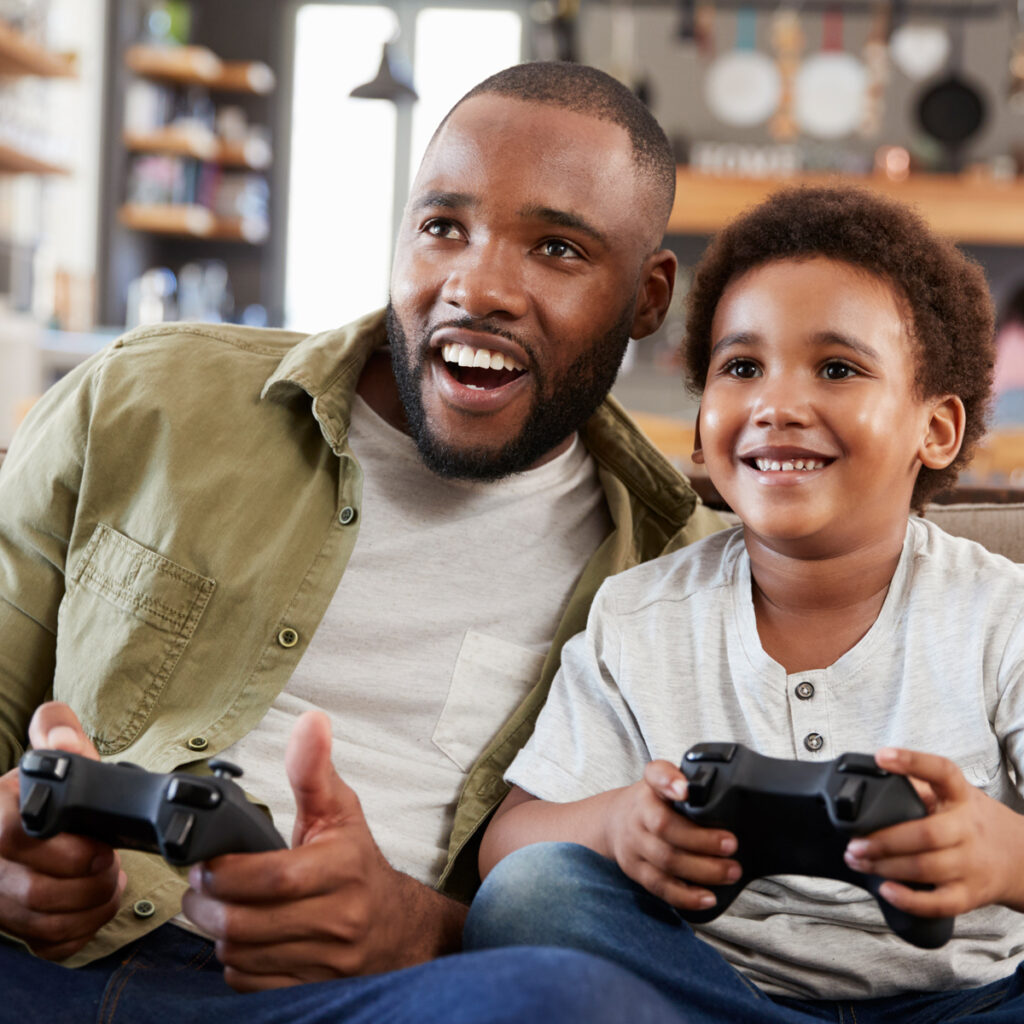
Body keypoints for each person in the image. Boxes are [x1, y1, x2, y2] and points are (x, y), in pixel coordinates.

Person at [0, 62, 723, 1021]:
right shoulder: (146, 399)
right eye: (442, 227)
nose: (478, 286)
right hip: (34, 964)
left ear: (648, 297)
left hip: (360, 1001)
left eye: (556, 248)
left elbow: (648, 910)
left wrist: (421, 929)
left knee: (577, 999)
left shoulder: (680, 569)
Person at [464, 185, 1024, 1022]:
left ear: (935, 429)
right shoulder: (641, 617)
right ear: (701, 427)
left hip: (969, 1002)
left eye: (837, 368)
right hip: (721, 998)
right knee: (530, 895)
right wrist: (622, 825)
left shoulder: (999, 615)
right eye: (741, 367)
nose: (775, 404)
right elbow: (506, 849)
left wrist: (1000, 853)